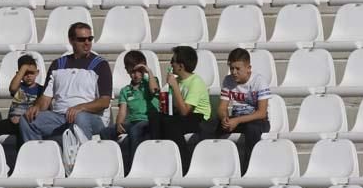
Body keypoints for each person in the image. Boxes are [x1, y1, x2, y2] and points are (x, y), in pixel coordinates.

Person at [20, 22, 112, 167]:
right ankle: (38, 164)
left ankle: (82, 165)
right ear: (71, 40)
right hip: (60, 117)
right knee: (27, 118)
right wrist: (36, 107)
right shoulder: (58, 64)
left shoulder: (100, 64)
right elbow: (45, 99)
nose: (87, 43)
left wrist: (80, 107)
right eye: (82, 39)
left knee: (79, 117)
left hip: (91, 117)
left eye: (90, 38)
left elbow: (104, 102)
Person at [148, 45, 211, 174]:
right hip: (182, 116)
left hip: (199, 117)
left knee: (171, 124)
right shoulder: (176, 81)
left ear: (181, 66)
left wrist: (175, 86)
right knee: (156, 118)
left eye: (173, 60)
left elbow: (185, 111)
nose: (171, 63)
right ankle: (158, 158)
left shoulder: (195, 82)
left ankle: (184, 164)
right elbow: (174, 106)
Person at [101, 50, 159, 173]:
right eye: (132, 71)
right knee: (105, 132)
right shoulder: (125, 91)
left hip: (147, 121)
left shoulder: (151, 82)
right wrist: (118, 124)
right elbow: (122, 111)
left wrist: (148, 71)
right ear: (127, 70)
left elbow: (154, 90)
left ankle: (134, 168)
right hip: (132, 122)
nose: (136, 75)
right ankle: (112, 166)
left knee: (135, 130)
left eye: (139, 71)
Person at [214, 48, 270, 173]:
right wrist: (224, 118)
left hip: (258, 121)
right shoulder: (228, 80)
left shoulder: (259, 81)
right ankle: (218, 168)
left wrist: (237, 120)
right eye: (232, 68)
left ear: (248, 68)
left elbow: (261, 113)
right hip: (237, 120)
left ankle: (249, 170)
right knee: (214, 127)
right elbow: (222, 108)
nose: (234, 72)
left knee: (252, 129)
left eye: (238, 69)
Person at [0, 54, 42, 142]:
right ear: (19, 73)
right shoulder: (18, 87)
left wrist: (23, 119)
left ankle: (21, 155)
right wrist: (23, 69)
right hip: (12, 122)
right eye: (25, 73)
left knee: (22, 133)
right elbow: (12, 88)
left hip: (28, 123)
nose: (29, 76)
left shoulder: (41, 90)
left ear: (37, 72)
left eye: (31, 73)